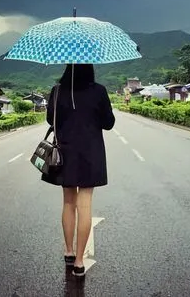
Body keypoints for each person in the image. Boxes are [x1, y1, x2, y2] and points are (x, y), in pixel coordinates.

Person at [42, 64, 115, 277]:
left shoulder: (57, 90)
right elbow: (108, 123)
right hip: (91, 154)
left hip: (65, 153)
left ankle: (68, 251)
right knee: (85, 205)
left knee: (67, 202)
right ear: (89, 67)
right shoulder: (99, 91)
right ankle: (80, 262)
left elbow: (50, 119)